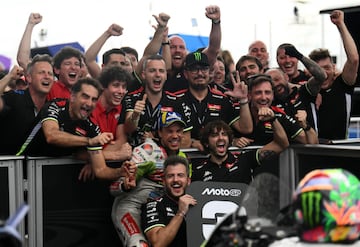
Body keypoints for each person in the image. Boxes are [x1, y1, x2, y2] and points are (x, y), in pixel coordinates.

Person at [18, 77, 135, 181]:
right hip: (19, 169)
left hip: (47, 176)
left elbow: (101, 170)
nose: (89, 103)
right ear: (73, 97)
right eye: (85, 97)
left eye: (94, 99)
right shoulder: (55, 106)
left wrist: (120, 172)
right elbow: (52, 136)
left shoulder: (91, 127)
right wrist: (89, 141)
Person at [111, 111, 189, 247]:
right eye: (169, 131)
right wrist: (125, 185)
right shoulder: (148, 151)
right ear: (159, 132)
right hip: (132, 208)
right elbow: (113, 188)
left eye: (179, 131)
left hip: (158, 210)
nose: (175, 135)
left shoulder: (182, 158)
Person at [173, 51, 253, 151]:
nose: (200, 73)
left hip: (217, 162)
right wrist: (192, 142)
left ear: (210, 72)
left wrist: (243, 100)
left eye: (204, 69)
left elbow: (246, 128)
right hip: (186, 161)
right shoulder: (176, 99)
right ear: (186, 74)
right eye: (194, 69)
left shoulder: (222, 99)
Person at [309, 10, 359, 141]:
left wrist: (340, 25)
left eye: (326, 68)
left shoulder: (343, 85)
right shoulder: (306, 91)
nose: (323, 73)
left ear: (333, 67)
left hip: (338, 149)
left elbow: (353, 59)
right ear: (310, 72)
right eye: (318, 69)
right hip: (310, 153)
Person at [233, 74, 318, 148]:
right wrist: (233, 141)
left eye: (267, 92)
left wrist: (306, 126)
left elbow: (313, 144)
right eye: (258, 93)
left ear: (273, 95)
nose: (263, 97)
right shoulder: (237, 110)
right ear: (249, 94)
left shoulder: (279, 114)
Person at [192, 119, 289, 184]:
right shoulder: (199, 171)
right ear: (206, 143)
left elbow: (281, 144)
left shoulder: (244, 160)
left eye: (224, 134)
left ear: (229, 140)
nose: (221, 138)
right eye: (214, 135)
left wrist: (273, 119)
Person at [0, 55, 53, 155]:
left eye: (50, 74)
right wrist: (9, 76)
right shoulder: (15, 98)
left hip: (37, 169)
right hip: (7, 168)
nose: (47, 76)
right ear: (29, 78)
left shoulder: (52, 108)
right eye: (41, 72)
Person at [124, 54, 181, 147]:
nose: (157, 74)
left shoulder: (176, 101)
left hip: (165, 157)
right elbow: (128, 129)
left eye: (161, 71)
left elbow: (184, 139)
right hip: (134, 157)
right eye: (152, 71)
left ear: (166, 75)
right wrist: (135, 115)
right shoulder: (131, 98)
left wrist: (155, 141)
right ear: (143, 75)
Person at [265, 44, 327, 129]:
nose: (275, 84)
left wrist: (300, 56)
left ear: (286, 77)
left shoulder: (303, 91)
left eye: (277, 79)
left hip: (312, 141)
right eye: (271, 82)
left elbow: (321, 76)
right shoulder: (270, 101)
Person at [163, 5, 221, 93]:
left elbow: (213, 50)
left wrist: (216, 22)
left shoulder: (194, 60)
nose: (177, 50)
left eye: (181, 47)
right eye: (173, 47)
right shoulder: (158, 69)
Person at [141, 155, 196, 247]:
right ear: (163, 181)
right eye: (170, 176)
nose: (175, 180)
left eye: (180, 175)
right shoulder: (154, 205)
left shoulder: (199, 203)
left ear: (188, 180)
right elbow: (158, 243)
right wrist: (180, 213)